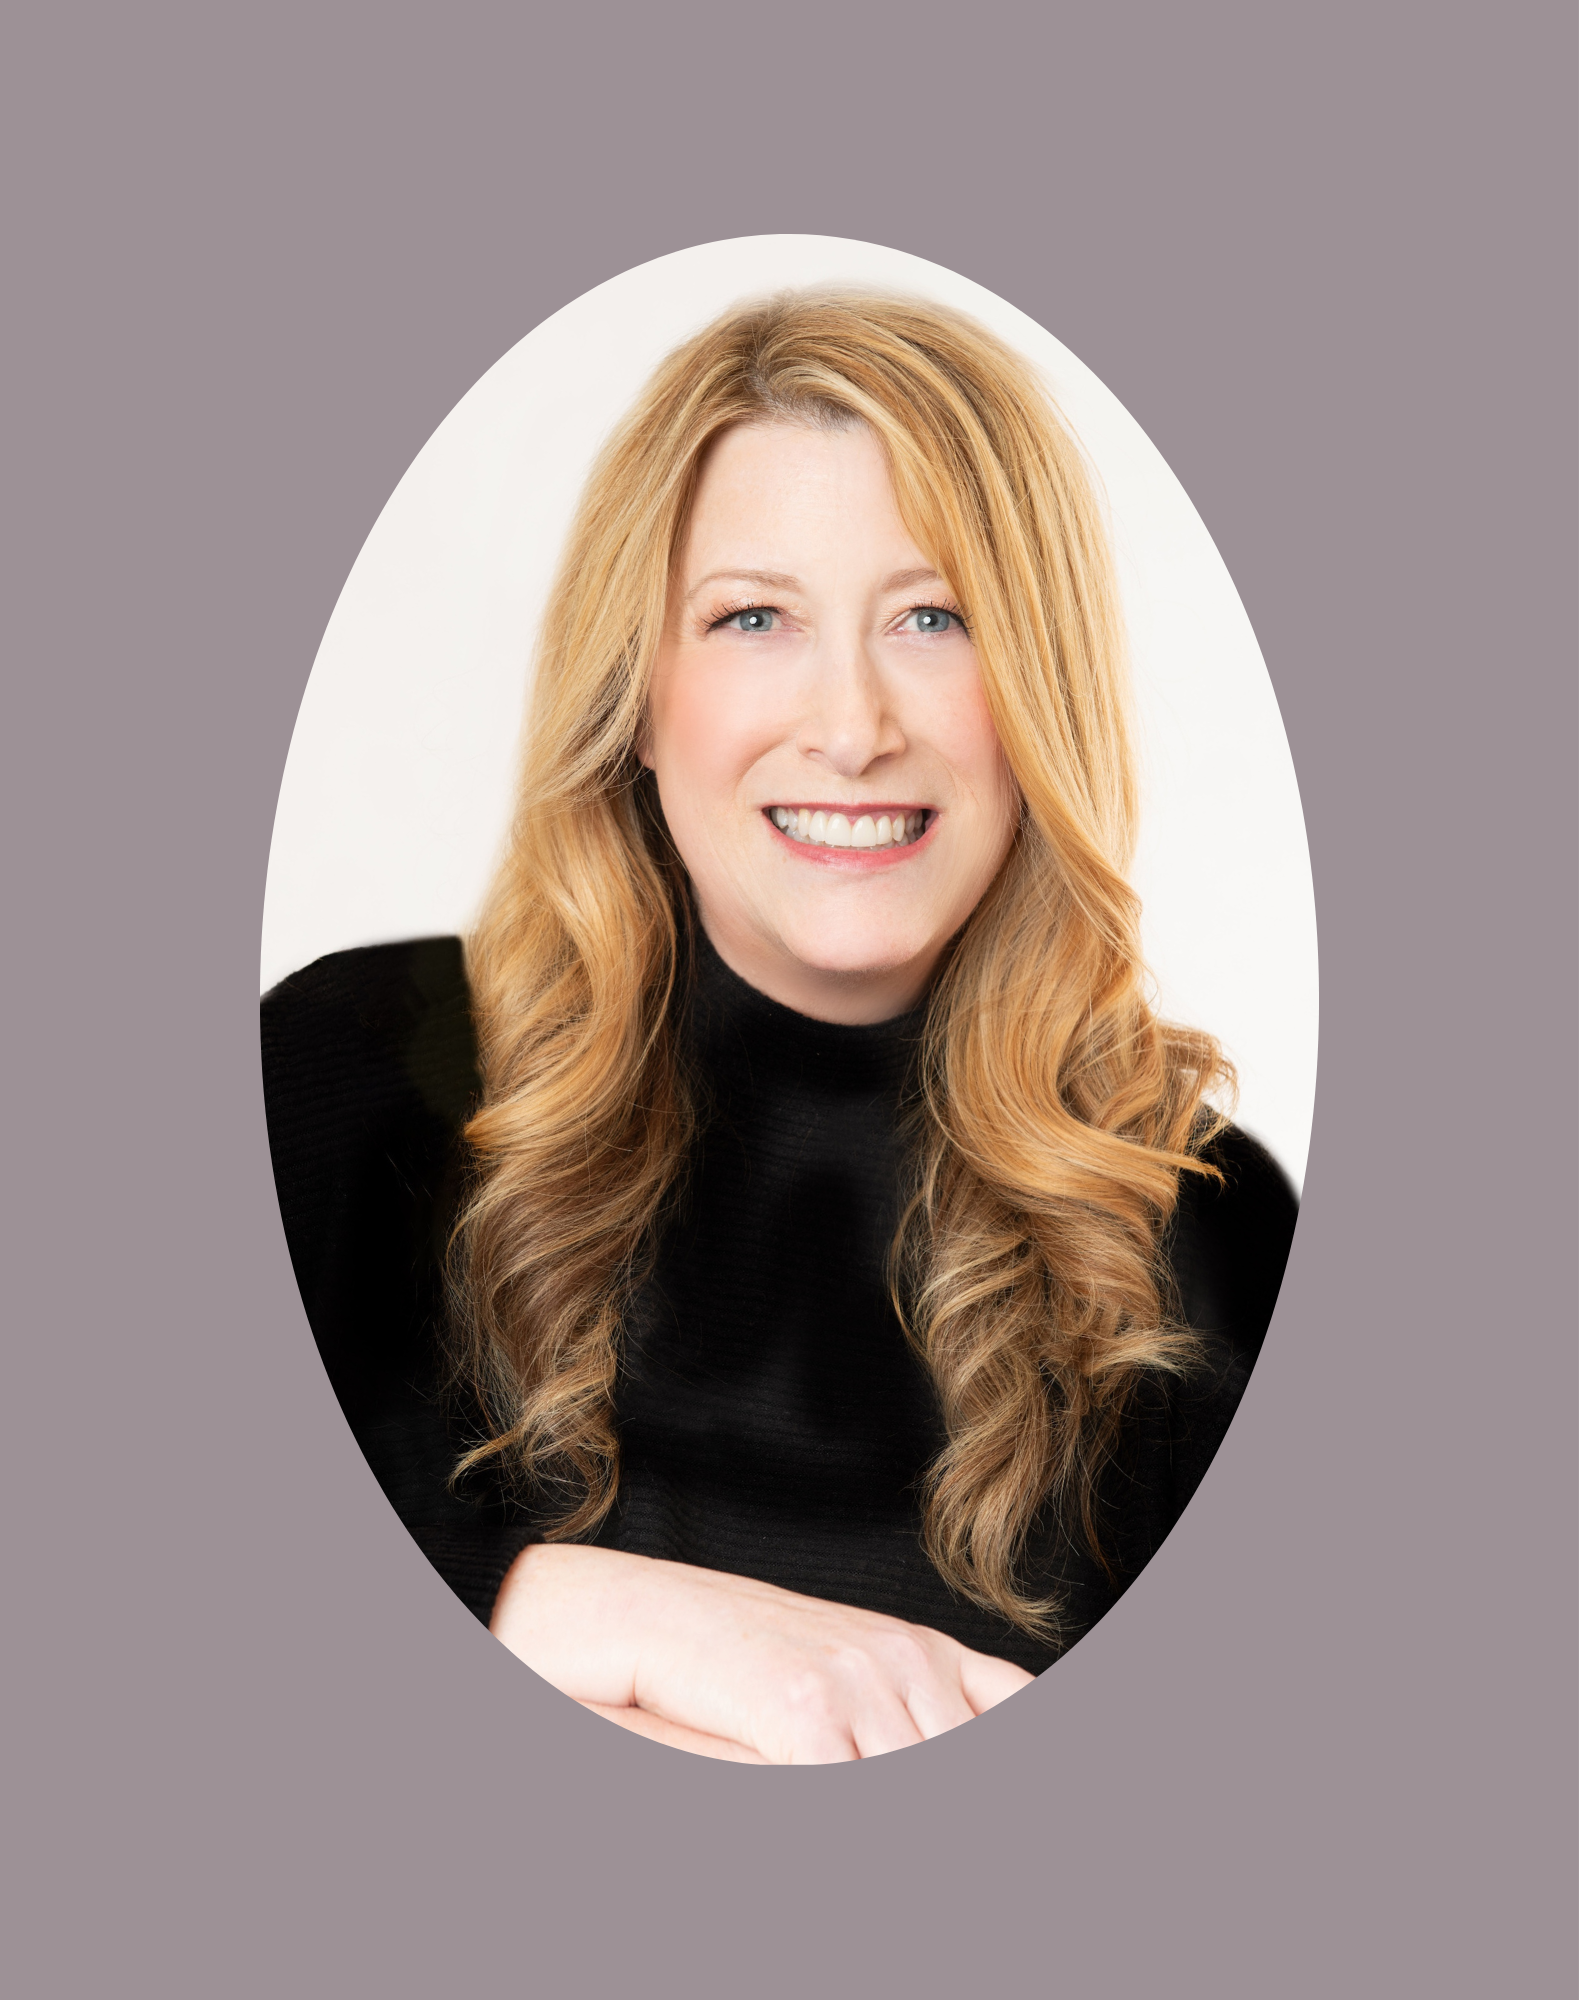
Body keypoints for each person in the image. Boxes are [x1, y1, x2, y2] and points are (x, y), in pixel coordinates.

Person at [262, 290, 1298, 1764]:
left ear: (1038, 691)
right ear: (635, 693)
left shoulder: (1210, 1228)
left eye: (935, 617)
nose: (854, 723)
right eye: (753, 617)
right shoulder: (350, 1074)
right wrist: (609, 1617)